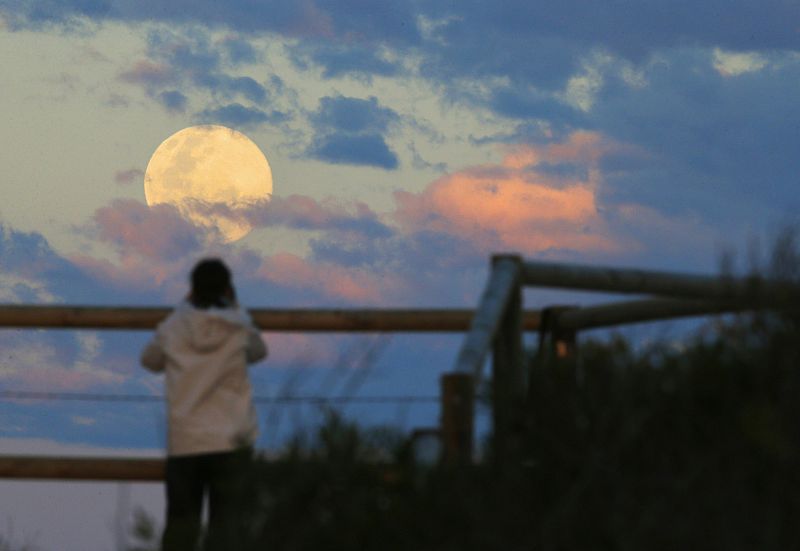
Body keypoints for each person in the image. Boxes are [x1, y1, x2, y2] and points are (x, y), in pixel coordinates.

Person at [140, 258, 267, 551]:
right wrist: (237, 309)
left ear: (192, 290)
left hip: (186, 441)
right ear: (227, 289)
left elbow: (150, 360)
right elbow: (259, 351)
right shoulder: (238, 326)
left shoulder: (174, 327)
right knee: (229, 532)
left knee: (182, 531)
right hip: (232, 440)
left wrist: (181, 310)